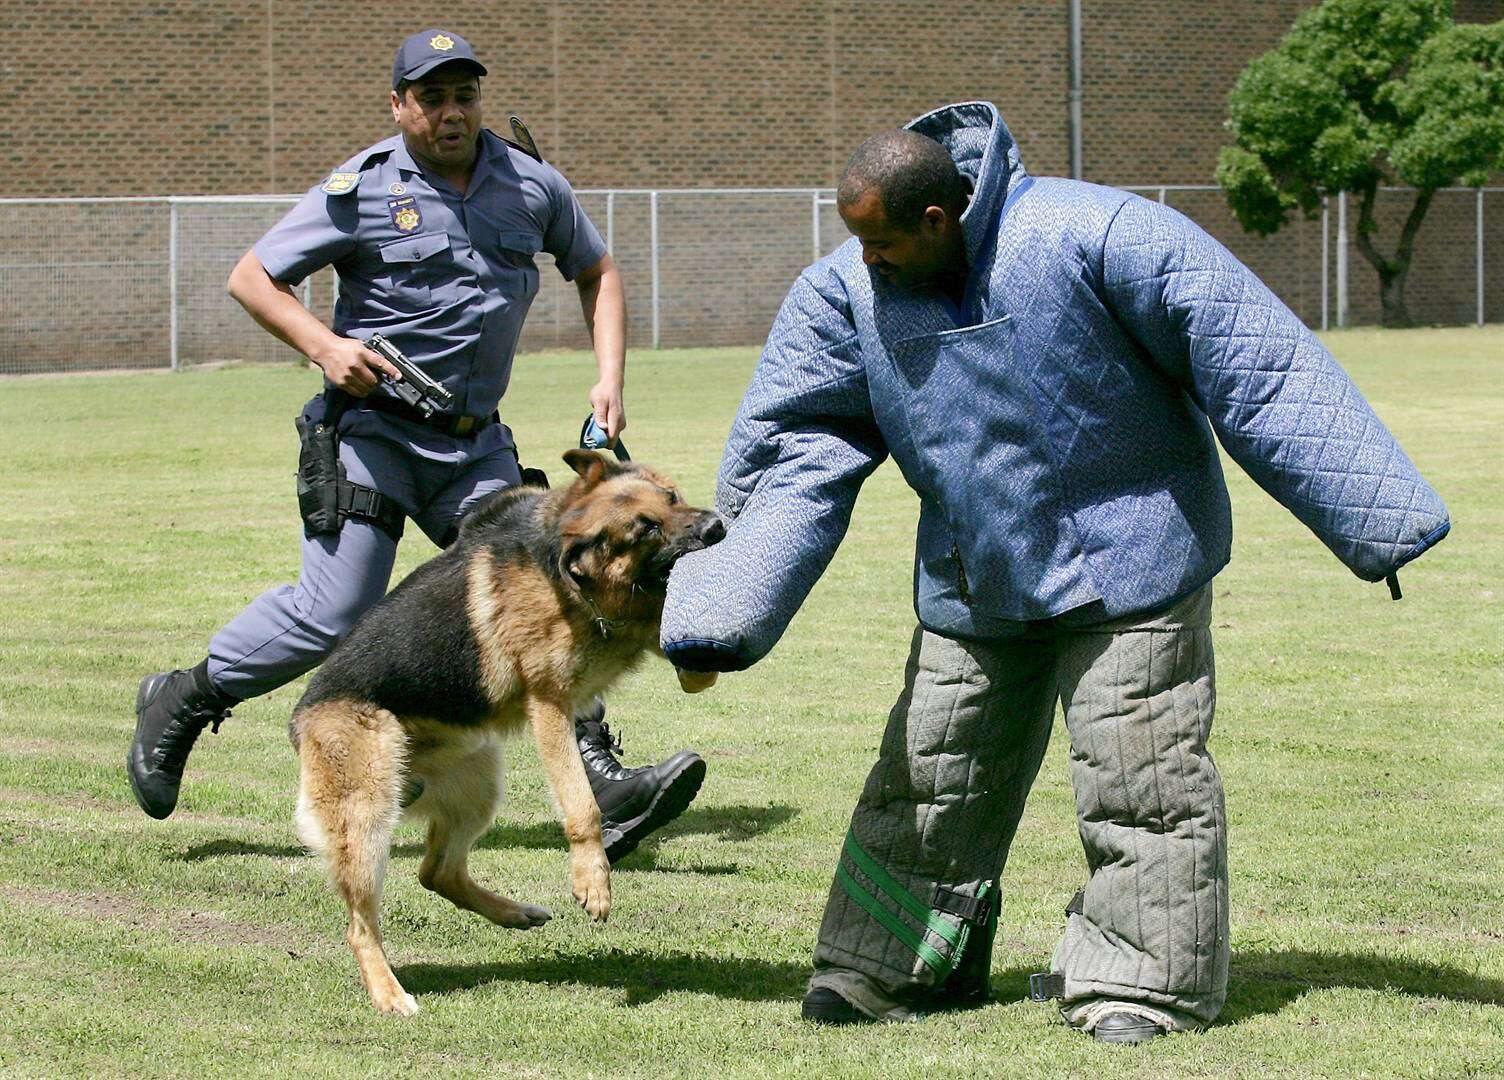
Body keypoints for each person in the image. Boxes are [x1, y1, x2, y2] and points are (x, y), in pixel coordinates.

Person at [660, 102, 1448, 1042]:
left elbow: (1253, 362)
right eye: (855, 240)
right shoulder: (842, 294)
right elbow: (796, 443)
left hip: (1135, 560)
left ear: (936, 220)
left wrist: (1373, 513)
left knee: (1140, 780)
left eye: (880, 241)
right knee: (927, 776)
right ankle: (889, 965)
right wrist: (725, 599)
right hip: (973, 571)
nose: (866, 260)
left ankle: (1139, 985)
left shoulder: (1099, 231)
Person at [128, 29, 705, 864]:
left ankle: (600, 779)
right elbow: (252, 277)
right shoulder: (362, 188)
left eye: (463, 94)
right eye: (430, 97)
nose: (450, 112)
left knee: (555, 583)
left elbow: (599, 271)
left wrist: (609, 378)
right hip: (371, 436)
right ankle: (185, 694)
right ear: (399, 106)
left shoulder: (531, 185)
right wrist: (325, 347)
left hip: (474, 450)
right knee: (335, 612)